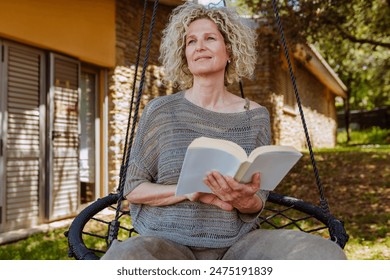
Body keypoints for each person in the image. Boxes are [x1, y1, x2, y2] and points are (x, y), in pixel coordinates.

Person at [102, 2, 346, 260]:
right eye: (191, 41)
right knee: (122, 260)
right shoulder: (161, 111)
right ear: (184, 53)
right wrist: (187, 191)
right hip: (165, 243)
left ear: (229, 50)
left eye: (210, 38)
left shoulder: (255, 116)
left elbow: (258, 200)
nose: (200, 47)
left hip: (240, 246)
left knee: (323, 255)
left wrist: (243, 200)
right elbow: (133, 187)